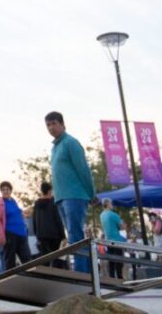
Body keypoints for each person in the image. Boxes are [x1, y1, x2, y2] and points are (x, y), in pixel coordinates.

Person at [46, 111, 95, 273]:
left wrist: (92, 193)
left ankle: (84, 274)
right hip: (61, 197)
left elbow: (83, 169)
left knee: (76, 236)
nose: (51, 127)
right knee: (72, 237)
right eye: (48, 124)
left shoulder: (71, 143)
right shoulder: (55, 148)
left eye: (54, 123)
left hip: (75, 196)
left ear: (62, 124)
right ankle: (82, 272)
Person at [32, 181, 66, 267]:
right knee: (57, 258)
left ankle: (45, 277)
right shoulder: (53, 203)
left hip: (42, 235)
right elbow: (58, 220)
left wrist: (37, 234)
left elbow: (34, 220)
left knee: (45, 259)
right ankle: (56, 277)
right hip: (54, 235)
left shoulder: (36, 204)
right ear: (49, 191)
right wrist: (63, 236)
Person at [0, 182, 32, 270]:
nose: (5, 191)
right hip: (10, 233)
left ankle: (31, 280)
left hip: (22, 233)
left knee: (28, 259)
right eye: (3, 190)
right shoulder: (0, 203)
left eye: (7, 189)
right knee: (10, 262)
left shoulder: (13, 201)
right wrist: (0, 236)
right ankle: (9, 281)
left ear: (10, 191)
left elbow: (18, 214)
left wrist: (24, 213)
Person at [99, 198, 126, 279]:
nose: (112, 205)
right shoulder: (114, 215)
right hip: (117, 240)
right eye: (111, 203)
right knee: (119, 261)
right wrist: (122, 224)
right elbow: (122, 227)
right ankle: (120, 278)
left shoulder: (101, 215)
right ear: (107, 204)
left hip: (108, 241)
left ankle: (111, 279)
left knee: (111, 261)